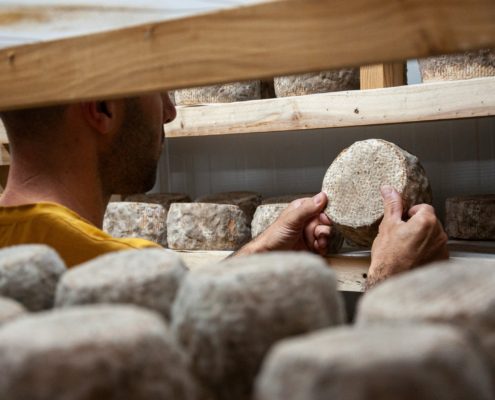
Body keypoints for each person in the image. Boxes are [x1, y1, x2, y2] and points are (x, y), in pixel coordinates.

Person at [0, 92, 448, 287]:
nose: (172, 113)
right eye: (161, 92)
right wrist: (390, 284)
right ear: (101, 107)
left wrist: (256, 255)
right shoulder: (119, 275)